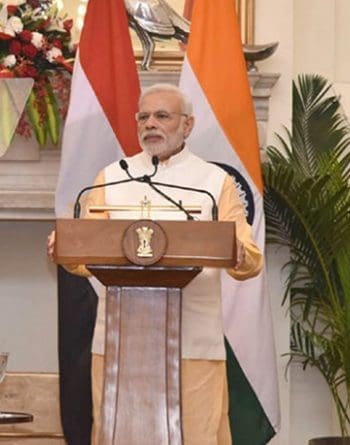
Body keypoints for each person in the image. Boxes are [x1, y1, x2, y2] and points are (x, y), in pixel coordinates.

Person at [47, 83, 262, 444]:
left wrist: (238, 254)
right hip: (121, 342)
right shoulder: (112, 176)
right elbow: (86, 257)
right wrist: (67, 251)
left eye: (162, 116)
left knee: (197, 434)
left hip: (191, 340)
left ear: (187, 125)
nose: (151, 124)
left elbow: (250, 257)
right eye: (143, 116)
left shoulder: (213, 181)